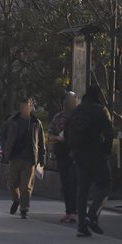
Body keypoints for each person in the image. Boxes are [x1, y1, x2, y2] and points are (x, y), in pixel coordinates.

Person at [66, 84, 114, 238]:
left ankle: (81, 227)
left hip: (79, 155)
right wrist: (106, 151)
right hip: (96, 154)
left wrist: (72, 149)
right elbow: (109, 133)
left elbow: (66, 130)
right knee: (105, 185)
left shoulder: (77, 110)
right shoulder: (101, 110)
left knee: (82, 190)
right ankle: (92, 215)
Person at [1, 95, 46, 220]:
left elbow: (41, 142)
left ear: (31, 107)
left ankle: (24, 209)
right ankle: (16, 200)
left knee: (26, 186)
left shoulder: (36, 123)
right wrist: (5, 148)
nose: (25, 109)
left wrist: (42, 158)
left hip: (29, 159)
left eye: (27, 106)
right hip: (15, 157)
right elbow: (2, 133)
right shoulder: (12, 121)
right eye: (22, 107)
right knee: (12, 184)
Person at [48, 91, 78, 224]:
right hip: (62, 154)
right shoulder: (58, 117)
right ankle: (69, 211)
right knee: (65, 184)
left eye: (72, 99)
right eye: (67, 99)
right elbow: (49, 136)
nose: (70, 102)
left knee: (74, 182)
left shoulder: (80, 116)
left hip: (76, 154)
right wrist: (58, 138)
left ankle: (75, 211)